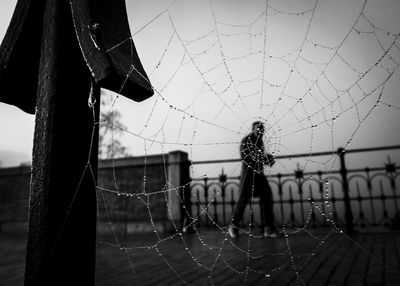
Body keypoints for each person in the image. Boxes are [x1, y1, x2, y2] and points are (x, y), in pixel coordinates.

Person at [228, 121, 278, 238]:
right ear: (253, 129)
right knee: (243, 201)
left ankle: (268, 227)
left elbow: (258, 156)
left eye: (262, 130)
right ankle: (234, 226)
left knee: (267, 198)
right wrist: (266, 158)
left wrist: (266, 159)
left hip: (259, 176)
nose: (261, 132)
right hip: (248, 177)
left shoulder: (259, 140)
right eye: (259, 129)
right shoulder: (247, 140)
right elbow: (247, 157)